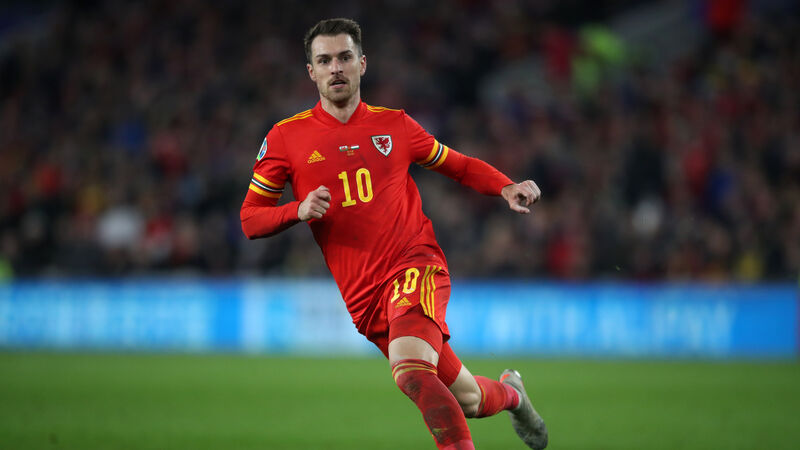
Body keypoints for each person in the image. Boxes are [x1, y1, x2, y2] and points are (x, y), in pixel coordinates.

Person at [240, 18, 547, 450]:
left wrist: (505, 186)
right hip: (365, 299)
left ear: (362, 64)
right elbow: (250, 219)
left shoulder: (396, 126)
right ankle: (514, 395)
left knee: (410, 370)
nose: (336, 68)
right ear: (311, 71)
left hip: (415, 265)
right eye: (324, 60)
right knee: (469, 400)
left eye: (345, 57)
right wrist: (297, 210)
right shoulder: (285, 138)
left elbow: (458, 165)